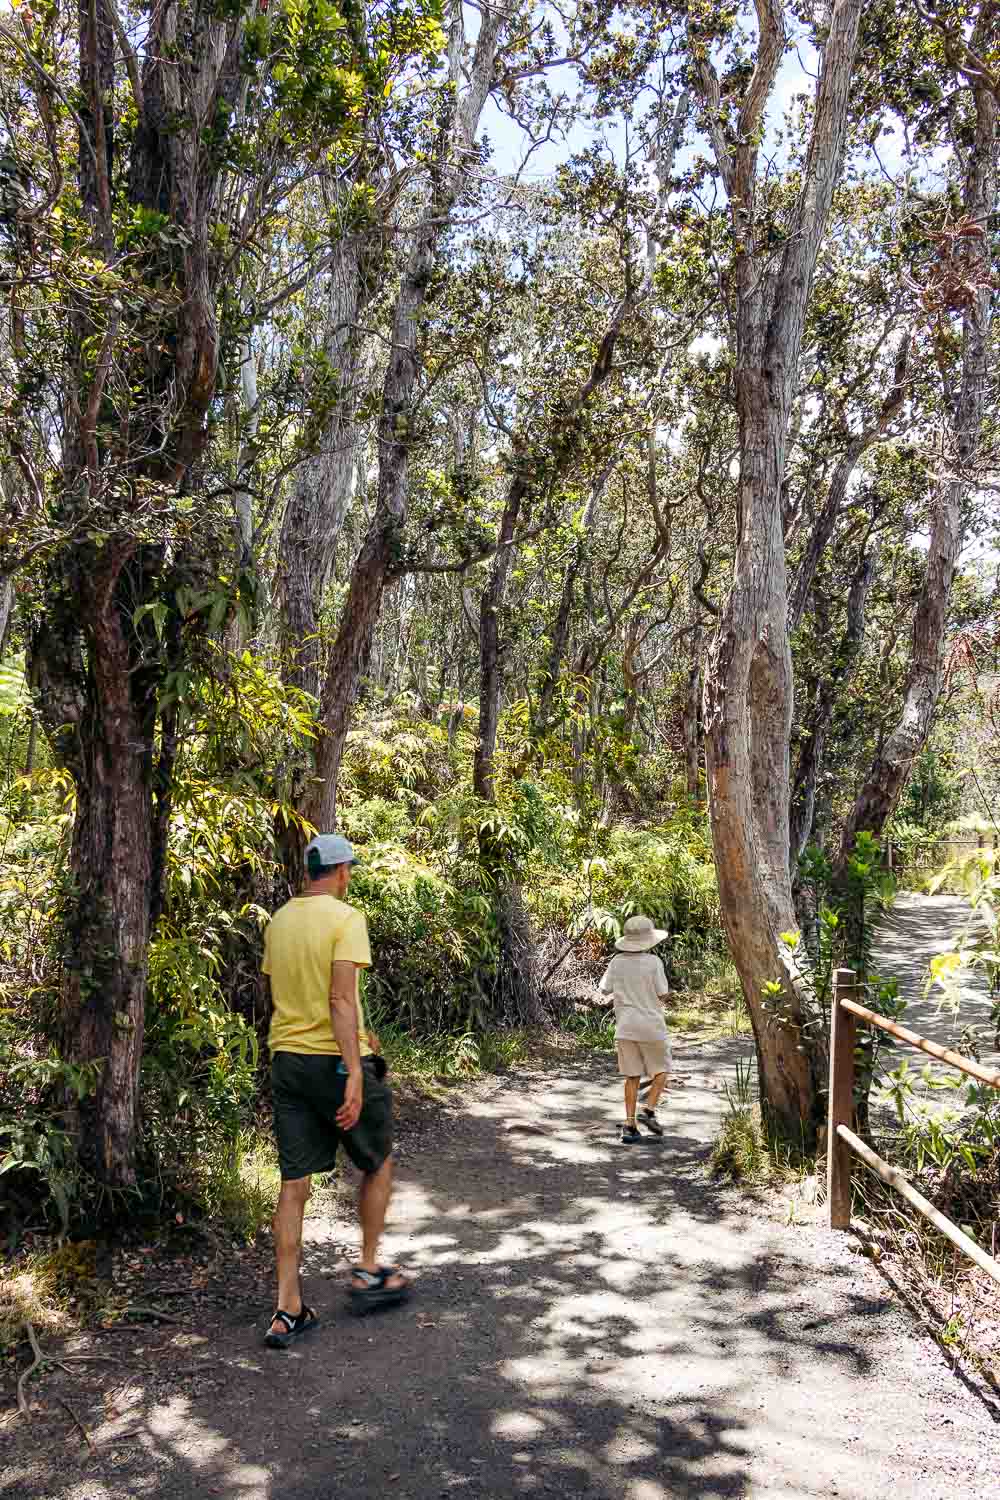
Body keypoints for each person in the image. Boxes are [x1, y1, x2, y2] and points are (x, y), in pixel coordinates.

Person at [261, 833, 409, 1347]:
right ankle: (367, 1268)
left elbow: (287, 991)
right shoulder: (346, 921)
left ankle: (288, 1308)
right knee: (377, 1161)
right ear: (342, 871)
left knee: (293, 1184)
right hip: (335, 1062)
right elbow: (340, 1000)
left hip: (287, 1062)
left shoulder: (279, 921)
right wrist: (353, 1075)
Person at [598, 914, 672, 1144]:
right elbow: (663, 993)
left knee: (631, 1076)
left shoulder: (616, 962)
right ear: (649, 940)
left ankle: (630, 1126)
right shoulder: (653, 962)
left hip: (626, 1026)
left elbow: (604, 989)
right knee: (662, 1069)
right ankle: (648, 1110)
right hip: (651, 1024)